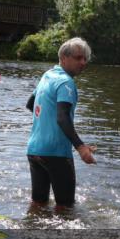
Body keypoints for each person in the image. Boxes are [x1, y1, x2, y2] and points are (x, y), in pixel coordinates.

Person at [25, 37, 97, 210]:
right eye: (78, 58)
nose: (83, 62)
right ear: (64, 58)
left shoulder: (47, 76)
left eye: (85, 58)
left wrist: (45, 124)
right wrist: (81, 147)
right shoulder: (66, 82)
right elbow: (62, 117)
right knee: (65, 209)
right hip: (56, 153)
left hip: (35, 150)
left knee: (38, 204)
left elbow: (30, 104)